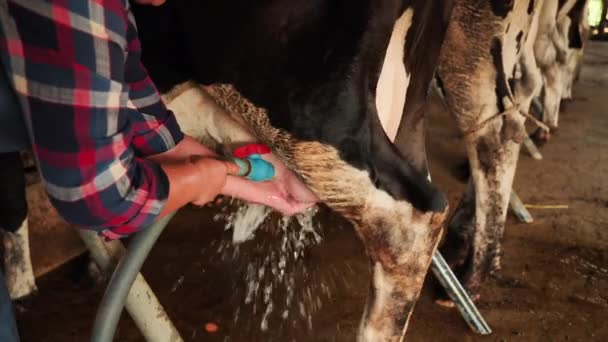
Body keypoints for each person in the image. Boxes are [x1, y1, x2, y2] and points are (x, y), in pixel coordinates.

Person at [0, 0, 316, 340]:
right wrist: (195, 182)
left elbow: (140, 114)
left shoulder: (109, 13)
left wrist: (267, 186)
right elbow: (101, 199)